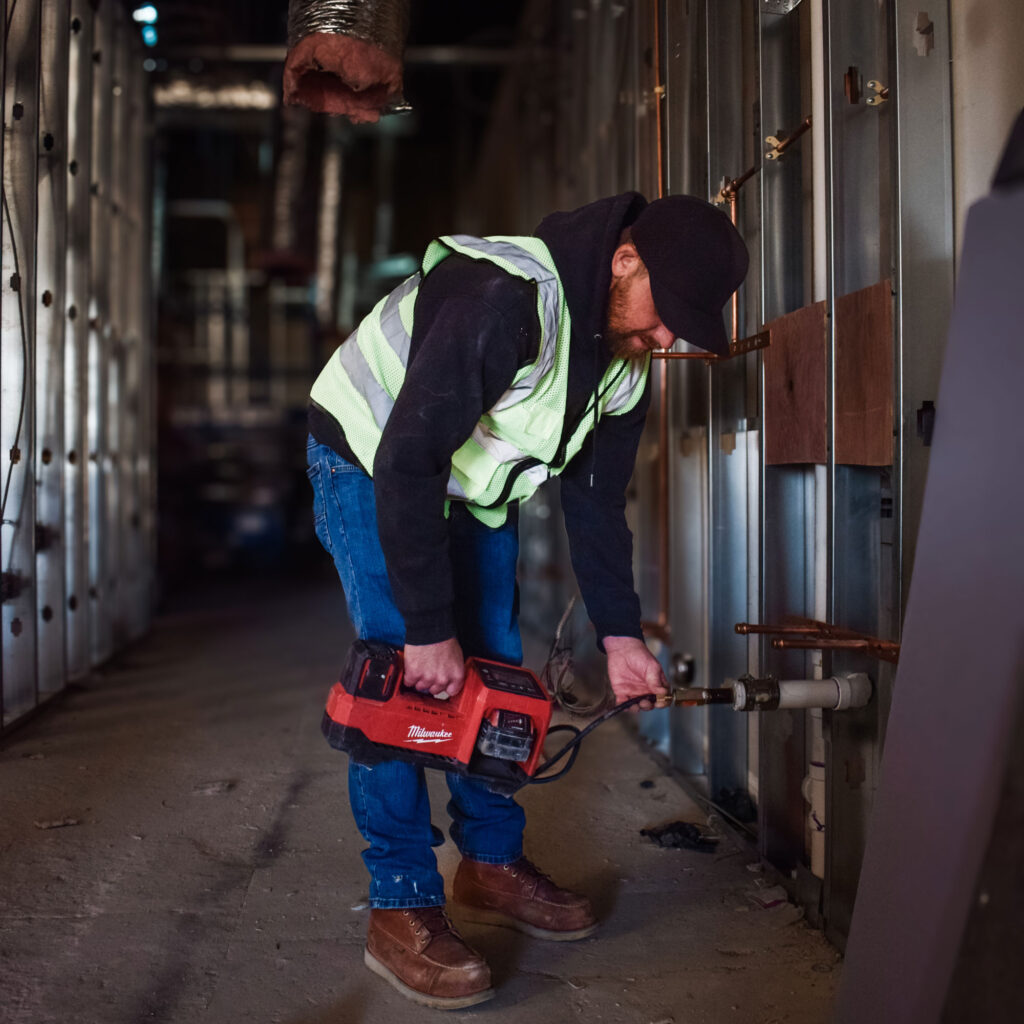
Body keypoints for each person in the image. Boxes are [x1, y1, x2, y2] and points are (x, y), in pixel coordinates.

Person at [305, 191, 749, 1009]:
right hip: (372, 462)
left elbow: (594, 500)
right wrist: (429, 629)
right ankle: (401, 904)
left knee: (496, 673)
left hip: (468, 485)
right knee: (400, 679)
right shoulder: (502, 299)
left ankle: (490, 862)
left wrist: (620, 636)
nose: (665, 337)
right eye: (666, 313)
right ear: (625, 260)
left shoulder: (623, 361)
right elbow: (407, 462)